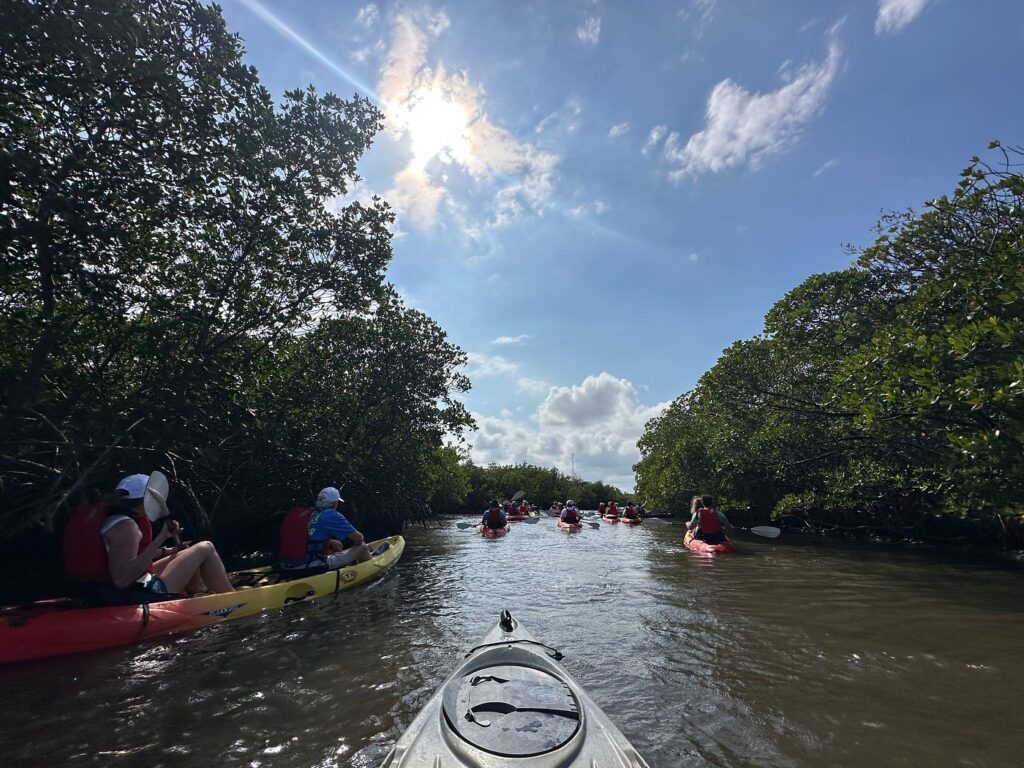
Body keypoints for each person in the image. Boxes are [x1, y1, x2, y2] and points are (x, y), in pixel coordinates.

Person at [63, 473, 233, 604]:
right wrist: (160, 538)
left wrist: (169, 551)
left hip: (104, 590)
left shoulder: (111, 519)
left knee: (187, 552)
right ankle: (233, 598)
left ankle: (198, 590)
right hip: (132, 593)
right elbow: (122, 580)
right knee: (206, 547)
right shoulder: (126, 527)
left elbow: (127, 558)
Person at [304, 487, 373, 567]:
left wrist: (330, 542)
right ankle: (367, 567)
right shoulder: (331, 515)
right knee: (363, 547)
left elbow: (312, 536)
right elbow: (359, 538)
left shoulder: (312, 513)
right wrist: (356, 548)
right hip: (310, 564)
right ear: (334, 503)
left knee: (335, 548)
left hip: (294, 562)